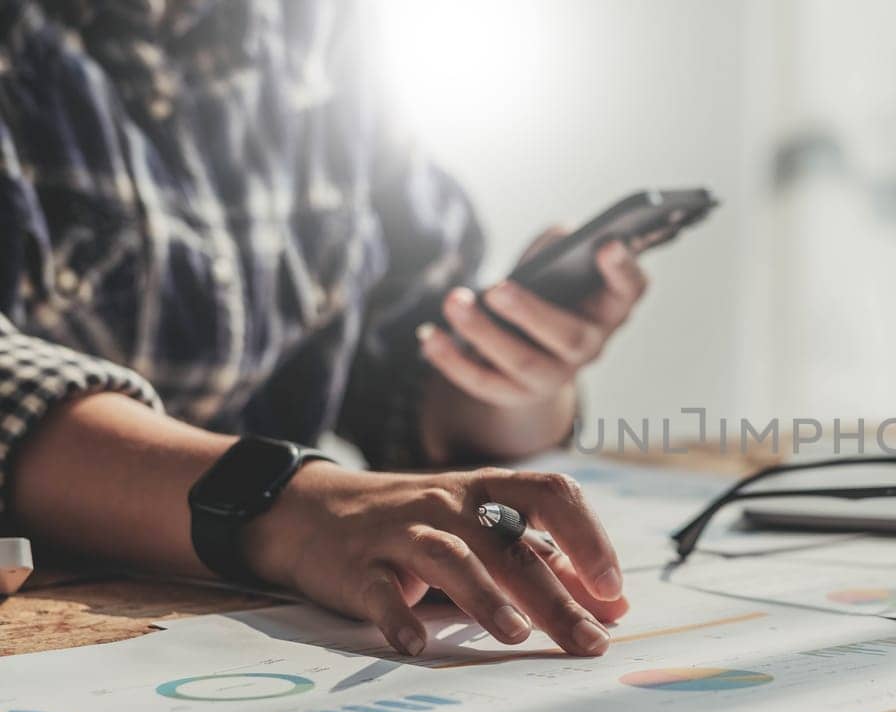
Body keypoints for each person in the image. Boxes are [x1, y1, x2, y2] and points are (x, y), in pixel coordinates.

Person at [0, 2, 641, 657]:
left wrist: (523, 366)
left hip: (271, 615)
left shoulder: (321, 24)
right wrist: (296, 508)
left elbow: (408, 371)